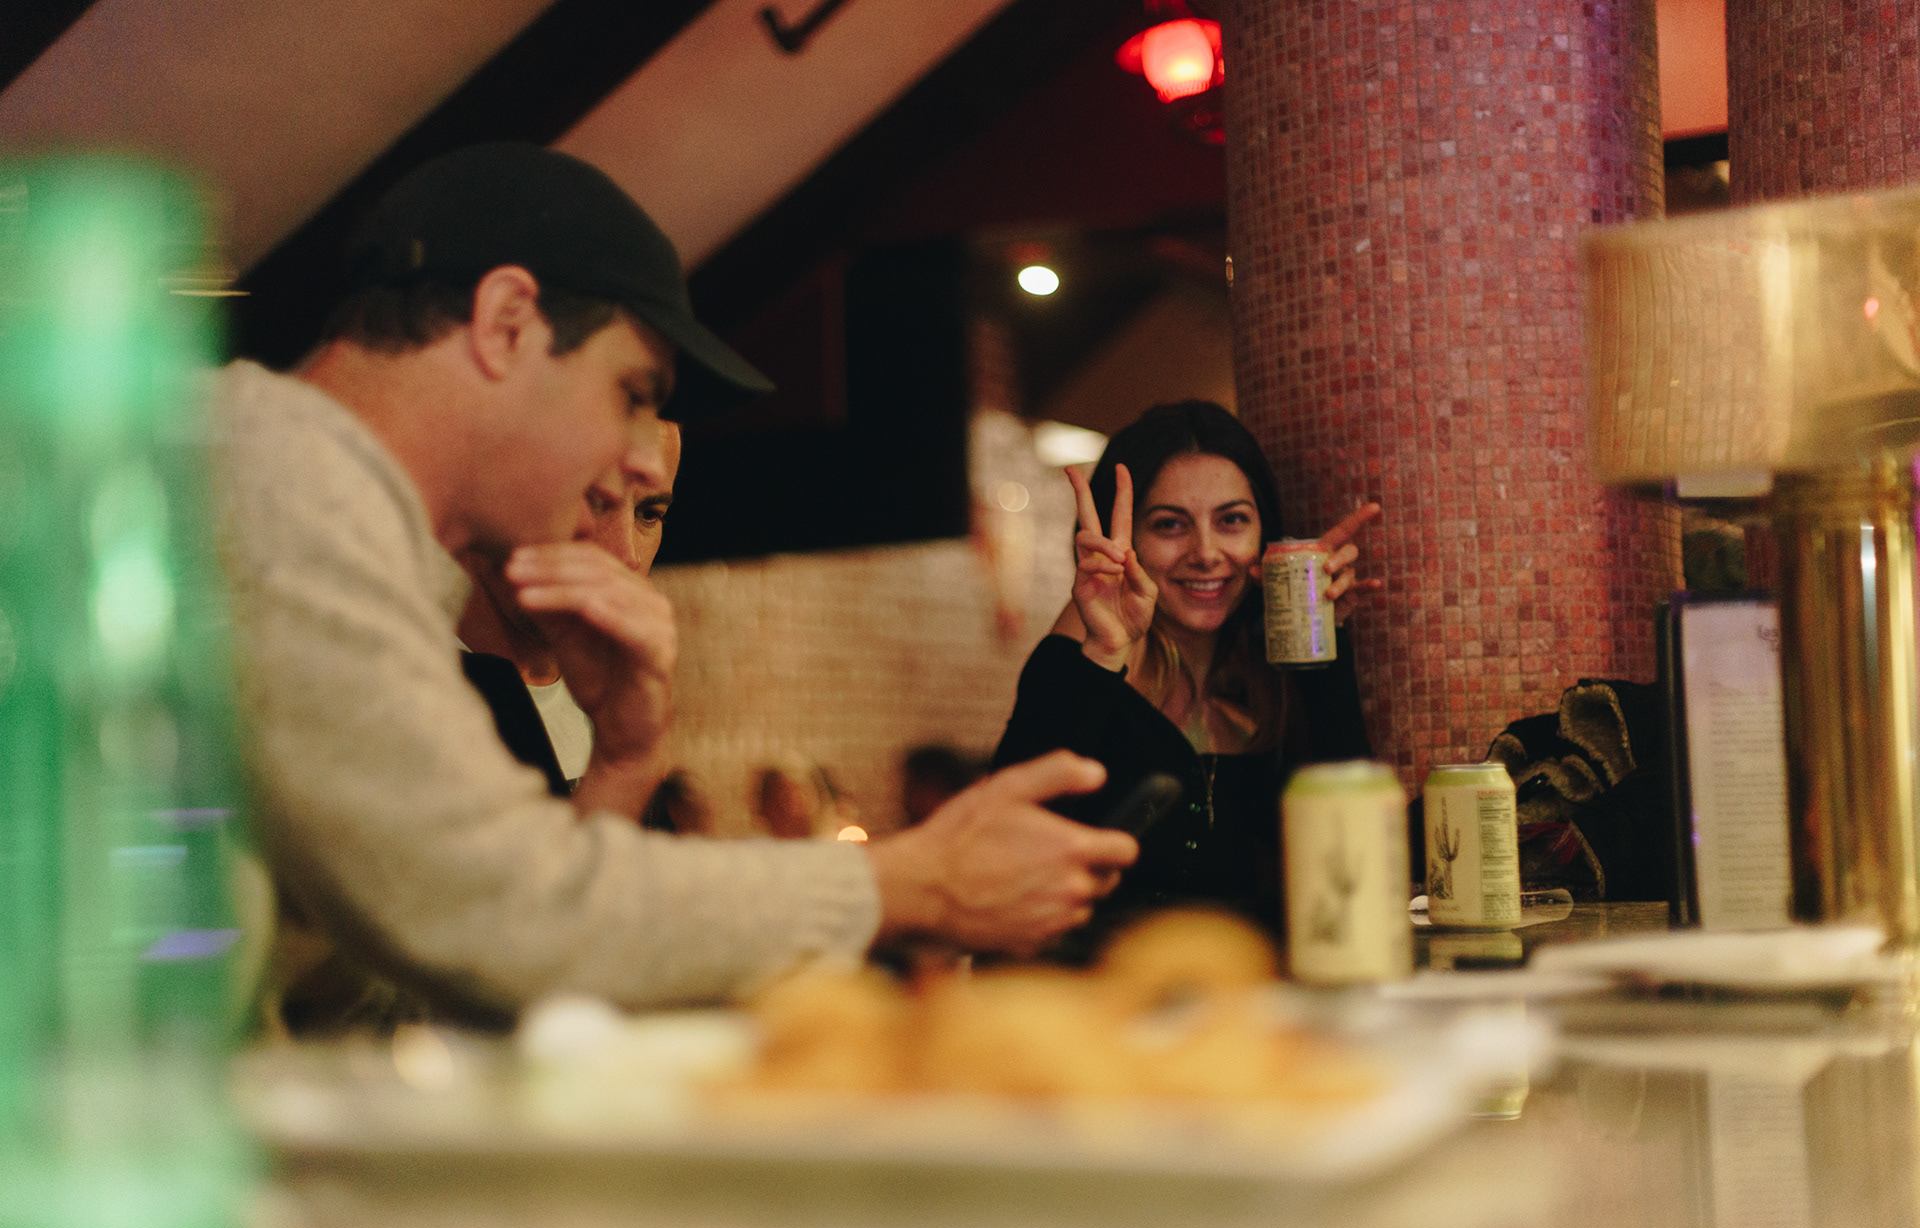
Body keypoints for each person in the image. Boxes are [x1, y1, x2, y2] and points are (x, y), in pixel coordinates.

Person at [212, 142, 1137, 1032]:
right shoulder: (285, 487)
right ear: (505, 324)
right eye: (632, 392)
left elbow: (484, 949)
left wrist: (621, 762)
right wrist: (915, 883)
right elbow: (500, 910)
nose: (636, 459)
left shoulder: (303, 494)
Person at [992, 401, 1379, 960]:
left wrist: (1326, 643)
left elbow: (1354, 840)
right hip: (1099, 992)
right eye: (1169, 525)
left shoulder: (1271, 665)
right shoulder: (1082, 649)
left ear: (1264, 532)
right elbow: (1005, 840)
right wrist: (1102, 652)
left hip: (1257, 990)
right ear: (1125, 539)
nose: (1206, 553)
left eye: (1232, 521)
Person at [456, 413, 681, 802]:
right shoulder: (400, 694)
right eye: (594, 501)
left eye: (648, 515)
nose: (626, 554)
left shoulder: (615, 708)